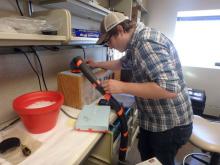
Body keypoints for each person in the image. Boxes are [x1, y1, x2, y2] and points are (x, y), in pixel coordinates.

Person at [89, 12, 193, 165]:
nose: (109, 46)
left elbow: (170, 89)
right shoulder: (134, 44)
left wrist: (122, 87)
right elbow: (121, 63)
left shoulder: (146, 42)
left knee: (159, 161)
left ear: (119, 30)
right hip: (153, 120)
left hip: (170, 124)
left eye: (108, 41)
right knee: (146, 155)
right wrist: (97, 64)